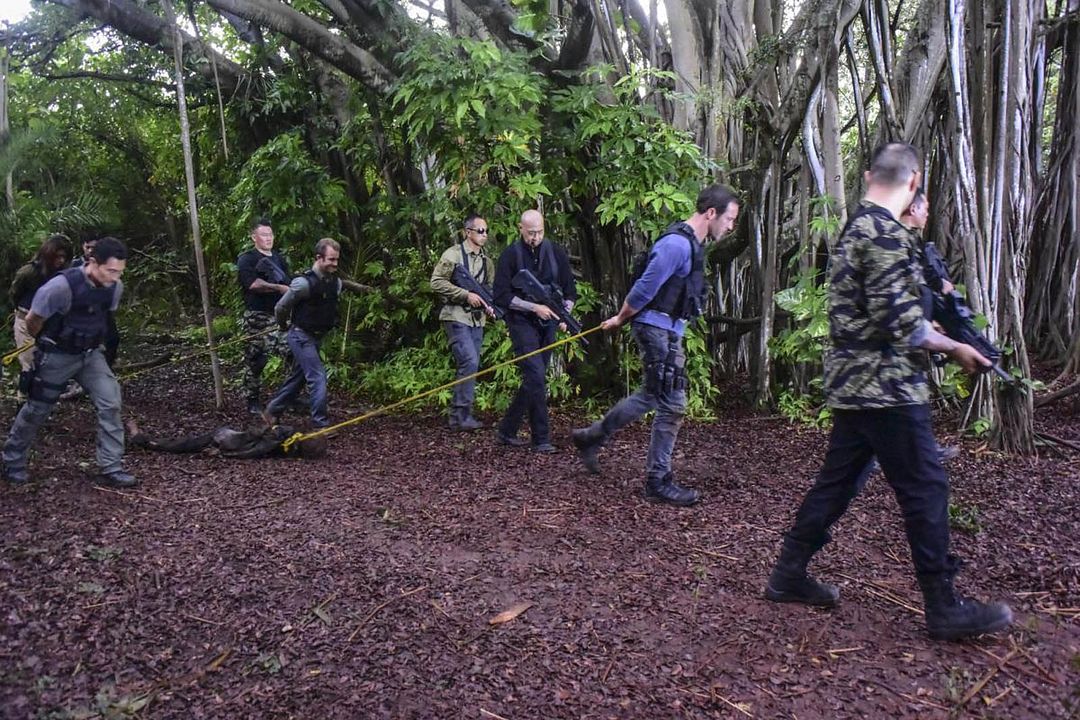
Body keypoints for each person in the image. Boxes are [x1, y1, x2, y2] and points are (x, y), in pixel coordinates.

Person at [763, 143, 1012, 641]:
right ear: (914, 181)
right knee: (926, 487)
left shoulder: (860, 226)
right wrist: (956, 349)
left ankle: (788, 573)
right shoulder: (884, 233)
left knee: (838, 483)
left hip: (857, 386)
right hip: (887, 388)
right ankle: (944, 606)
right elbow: (899, 322)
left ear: (868, 174)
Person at [571, 185, 739, 506]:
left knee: (652, 394)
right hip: (654, 328)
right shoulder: (676, 245)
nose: (730, 227)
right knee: (673, 403)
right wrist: (621, 318)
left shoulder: (692, 244)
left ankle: (591, 437)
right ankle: (657, 480)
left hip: (668, 329)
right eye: (729, 219)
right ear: (711, 213)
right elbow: (644, 288)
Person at [1, 237, 136, 488]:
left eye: (119, 272)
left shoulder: (114, 287)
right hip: (58, 355)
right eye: (110, 271)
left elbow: (104, 318)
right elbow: (33, 321)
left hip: (90, 355)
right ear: (93, 262)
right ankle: (12, 460)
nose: (115, 277)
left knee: (111, 402)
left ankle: (111, 466)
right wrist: (48, 342)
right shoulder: (60, 287)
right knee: (37, 408)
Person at [492, 209, 577, 453]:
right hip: (521, 322)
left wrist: (564, 315)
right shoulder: (510, 255)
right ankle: (541, 438)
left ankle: (507, 430)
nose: (535, 237)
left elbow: (570, 291)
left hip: (548, 322)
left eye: (539, 232)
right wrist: (534, 307)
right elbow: (502, 296)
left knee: (534, 379)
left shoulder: (555, 252)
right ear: (520, 229)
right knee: (537, 376)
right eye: (531, 233)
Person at [262, 238, 367, 429]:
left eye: (337, 260)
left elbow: (342, 288)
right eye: (331, 260)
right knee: (317, 376)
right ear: (319, 258)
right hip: (300, 336)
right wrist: (283, 325)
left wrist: (364, 289)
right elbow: (281, 307)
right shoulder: (302, 284)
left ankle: (272, 411)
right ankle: (320, 424)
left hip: (317, 337)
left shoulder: (334, 283)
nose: (335, 264)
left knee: (299, 378)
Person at [430, 213, 497, 430]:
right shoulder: (453, 255)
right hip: (455, 315)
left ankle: (460, 416)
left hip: (477, 320)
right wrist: (464, 294)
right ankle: (460, 414)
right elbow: (436, 282)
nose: (484, 235)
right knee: (469, 360)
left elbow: (489, 289)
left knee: (471, 364)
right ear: (468, 232)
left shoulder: (486, 261)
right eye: (480, 231)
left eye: (486, 231)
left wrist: (490, 306)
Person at [237, 218, 291, 414]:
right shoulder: (247, 258)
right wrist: (277, 287)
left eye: (270, 234)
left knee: (292, 352)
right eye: (264, 235)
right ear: (254, 237)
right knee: (256, 360)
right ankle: (252, 400)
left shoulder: (279, 259)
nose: (268, 238)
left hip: (279, 315)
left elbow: (289, 282)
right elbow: (251, 284)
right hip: (256, 317)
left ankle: (289, 397)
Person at [8, 235, 73, 383]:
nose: (61, 261)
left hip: (51, 324)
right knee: (29, 363)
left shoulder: (65, 274)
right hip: (26, 320)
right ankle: (23, 398)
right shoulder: (29, 272)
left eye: (64, 257)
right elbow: (15, 293)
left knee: (48, 365)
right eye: (57, 257)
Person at [126, 419, 327, 459]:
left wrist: (221, 453)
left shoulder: (281, 440)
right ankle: (142, 438)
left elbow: (252, 451)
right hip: (228, 437)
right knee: (184, 443)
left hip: (224, 440)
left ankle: (142, 439)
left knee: (183, 444)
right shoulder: (286, 439)